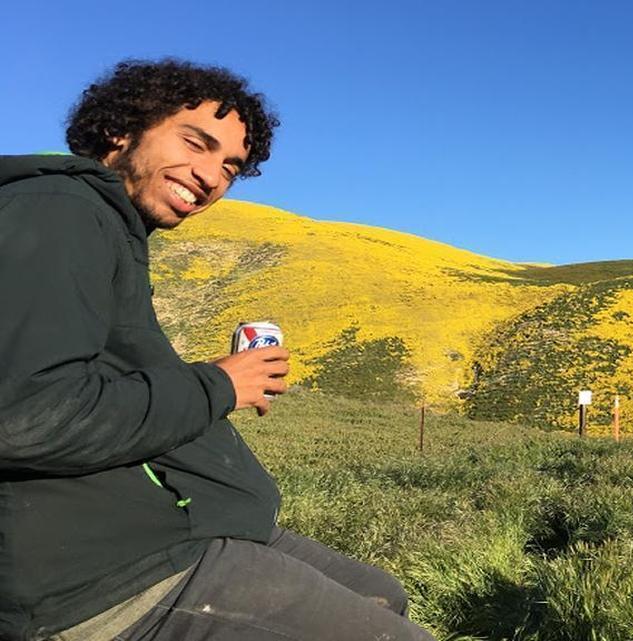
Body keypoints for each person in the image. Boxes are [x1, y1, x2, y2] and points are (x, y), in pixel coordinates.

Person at [0, 59, 433, 641]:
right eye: (194, 143)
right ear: (120, 130)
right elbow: (27, 415)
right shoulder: (62, 210)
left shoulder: (109, 228)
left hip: (166, 529)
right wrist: (220, 384)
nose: (210, 177)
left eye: (230, 166)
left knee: (385, 595)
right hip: (101, 578)